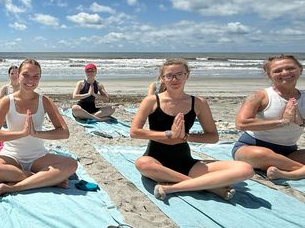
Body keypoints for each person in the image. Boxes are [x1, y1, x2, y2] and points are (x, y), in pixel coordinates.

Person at [130, 58, 253, 201]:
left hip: (186, 162)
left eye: (179, 74)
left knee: (245, 169)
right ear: (162, 79)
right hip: (156, 161)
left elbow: (213, 137)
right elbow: (135, 132)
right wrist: (169, 134)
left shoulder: (198, 103)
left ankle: (172, 187)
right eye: (169, 75)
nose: (174, 79)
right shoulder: (151, 101)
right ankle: (209, 187)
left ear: (187, 76)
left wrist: (185, 137)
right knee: (142, 163)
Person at [0, 59, 78, 196]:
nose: (30, 80)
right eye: (26, 75)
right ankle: (42, 179)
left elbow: (64, 133)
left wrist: (36, 133)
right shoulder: (6, 101)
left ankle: (15, 187)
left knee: (71, 164)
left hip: (38, 156)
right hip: (11, 156)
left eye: (36, 76)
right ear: (18, 75)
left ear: (40, 78)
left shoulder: (44, 101)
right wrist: (23, 133)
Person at [233, 54, 305, 180]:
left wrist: (300, 122)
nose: (285, 73)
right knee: (261, 155)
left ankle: (285, 170)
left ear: (300, 70)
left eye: (290, 68)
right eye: (277, 71)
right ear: (269, 75)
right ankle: (297, 172)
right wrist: (283, 122)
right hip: (252, 148)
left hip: (289, 152)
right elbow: (241, 123)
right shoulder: (260, 96)